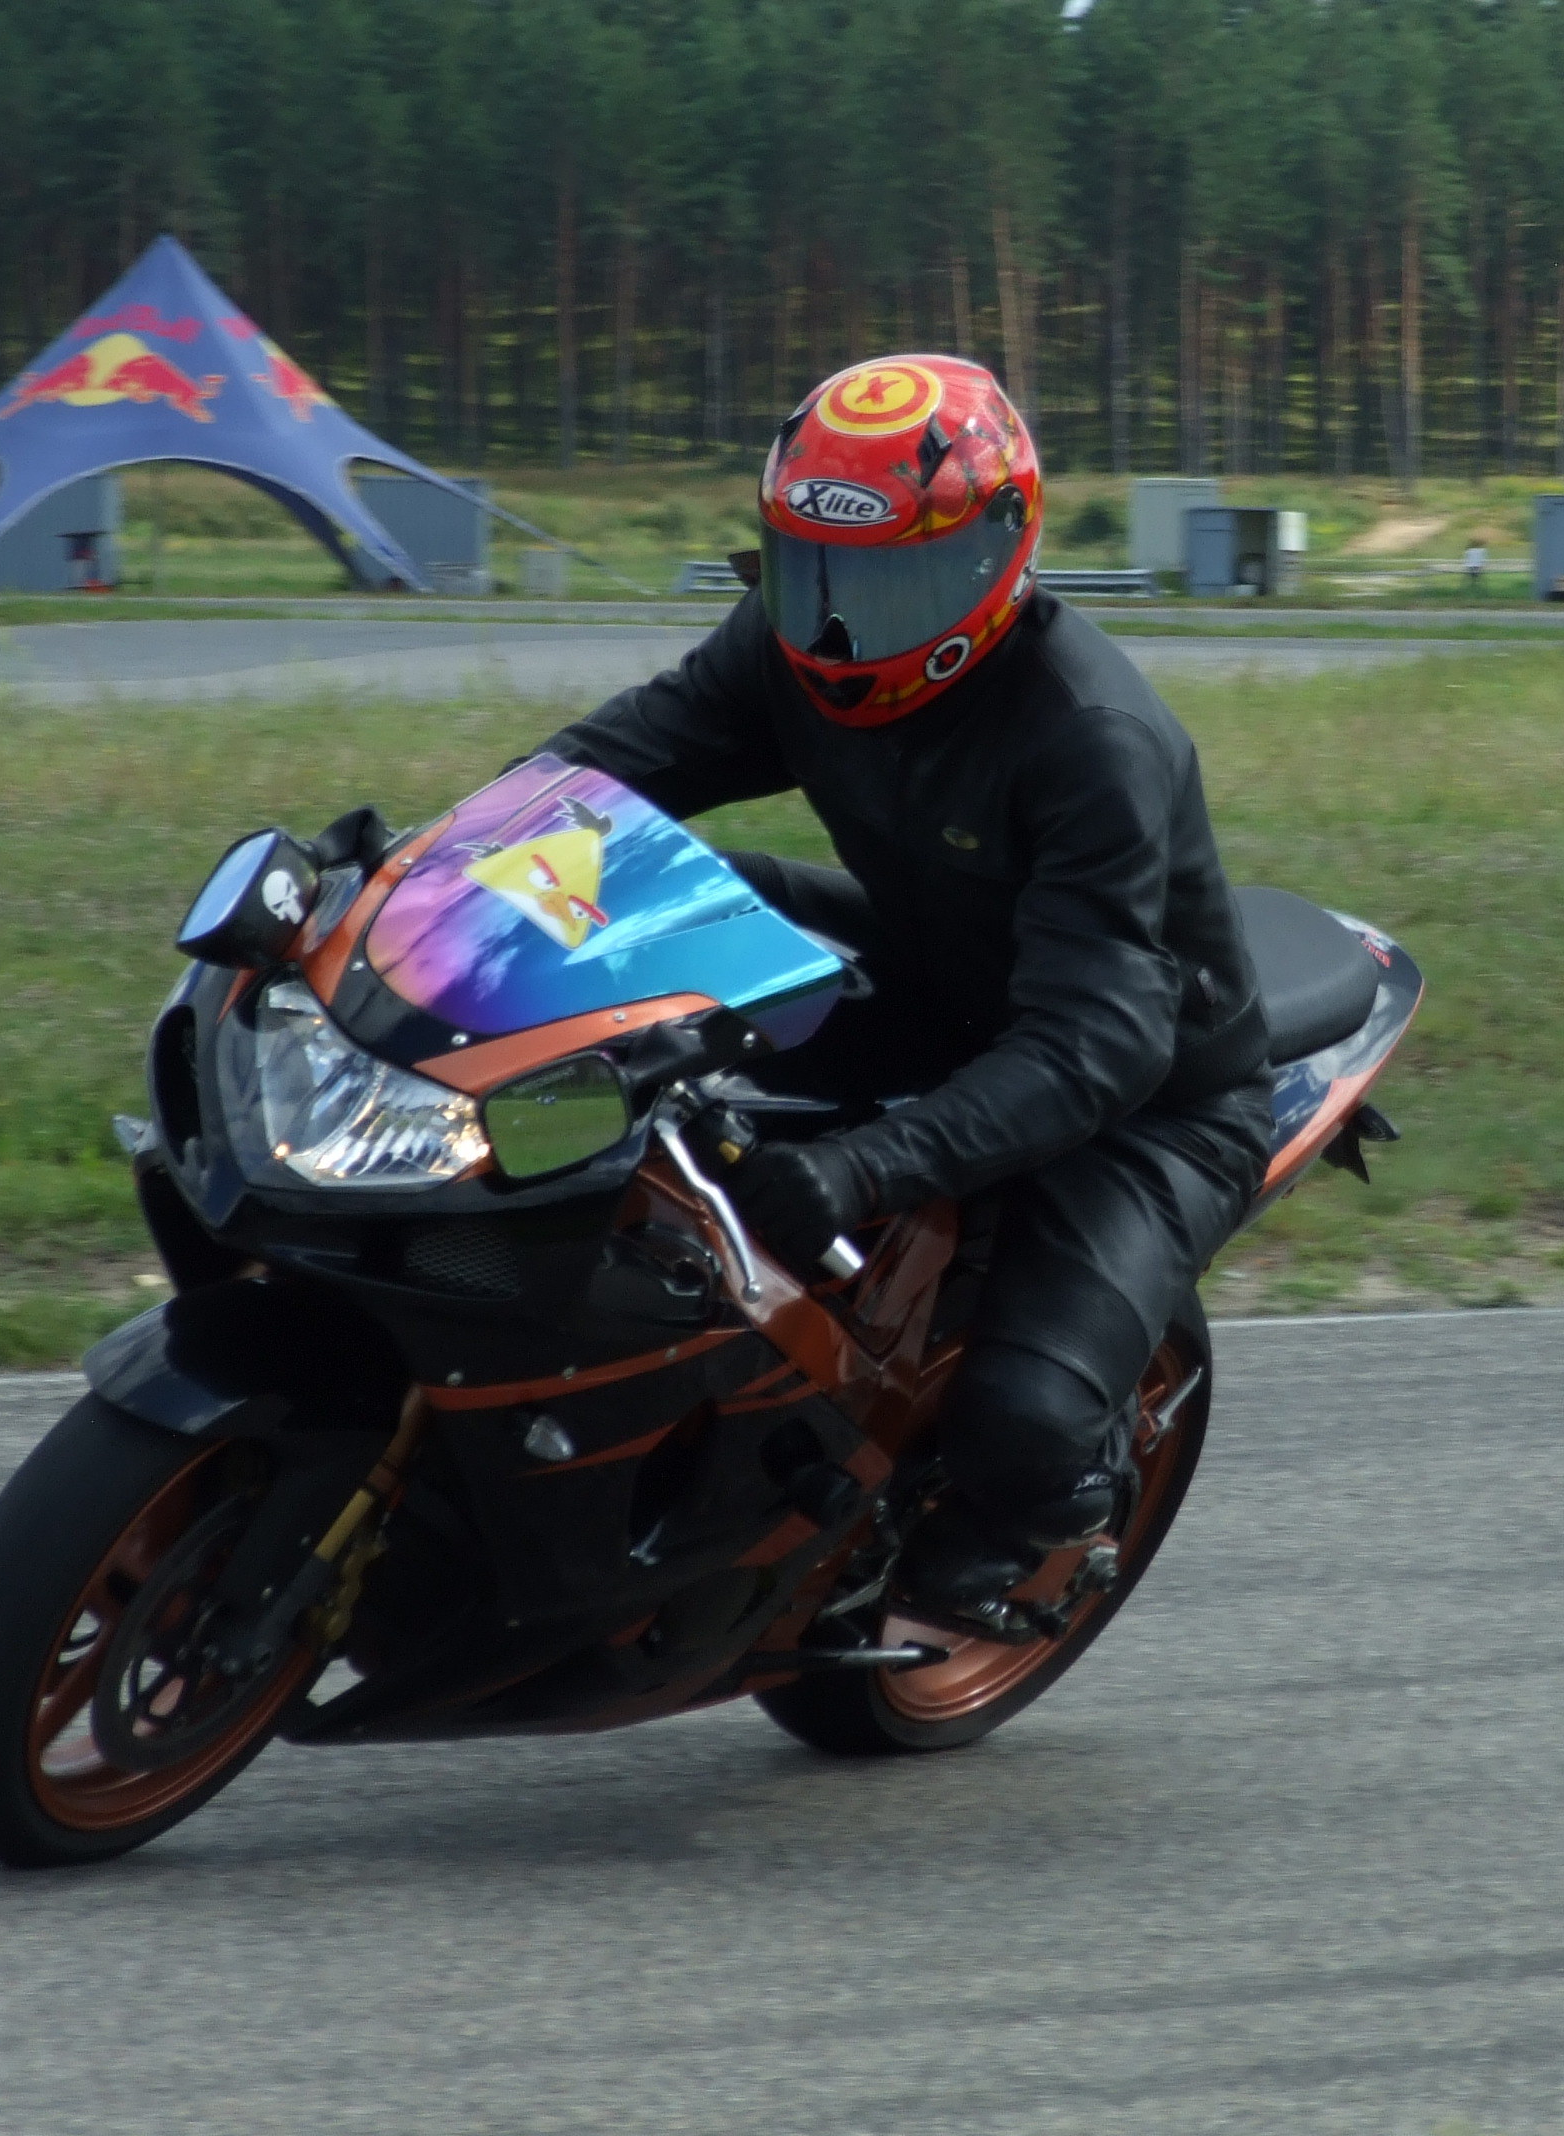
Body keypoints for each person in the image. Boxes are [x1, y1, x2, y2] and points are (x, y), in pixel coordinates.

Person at [542, 355, 1270, 1637]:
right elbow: (605, 772)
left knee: (1022, 1427)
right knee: (659, 903)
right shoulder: (786, 646)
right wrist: (438, 864)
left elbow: (1095, 1047)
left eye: (890, 585)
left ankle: (1047, 1515)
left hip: (1147, 1091)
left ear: (998, 557)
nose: (841, 627)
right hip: (940, 973)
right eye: (811, 574)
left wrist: (862, 1168)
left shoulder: (1090, 739)